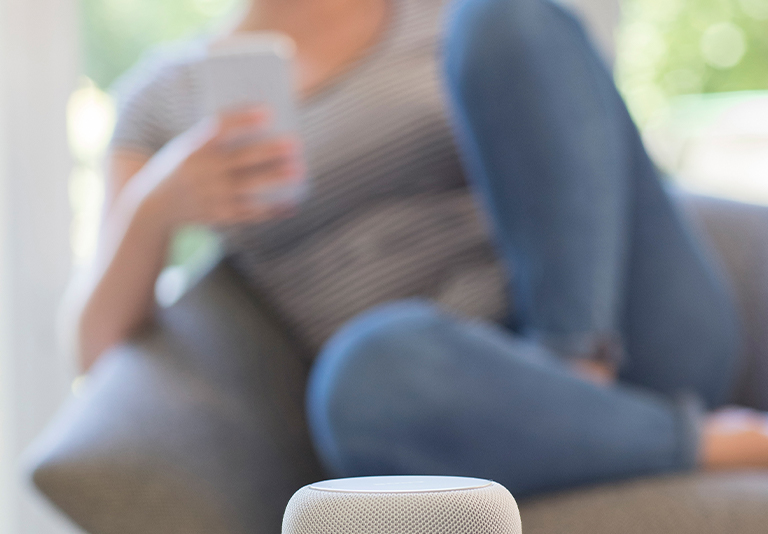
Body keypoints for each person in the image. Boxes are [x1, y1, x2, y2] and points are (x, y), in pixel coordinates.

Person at [68, 0, 768, 499]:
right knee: (360, 376)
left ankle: (574, 374)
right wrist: (153, 208)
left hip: (632, 333)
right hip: (450, 394)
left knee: (507, 18)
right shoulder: (163, 103)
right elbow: (98, 353)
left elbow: (572, 142)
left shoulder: (440, 15)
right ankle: (688, 442)